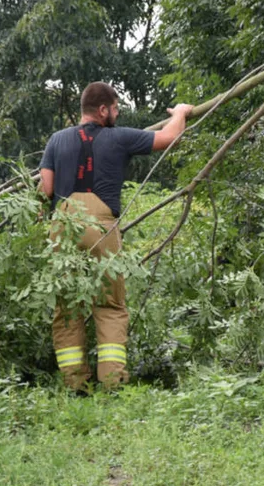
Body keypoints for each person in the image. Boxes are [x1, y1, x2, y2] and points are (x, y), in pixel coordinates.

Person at [39, 82, 194, 391]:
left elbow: (45, 190)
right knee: (109, 305)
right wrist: (180, 112)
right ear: (103, 110)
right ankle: (111, 383)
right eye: (116, 109)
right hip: (100, 223)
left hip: (63, 226)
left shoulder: (56, 140)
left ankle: (75, 385)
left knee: (67, 306)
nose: (118, 114)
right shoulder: (119, 137)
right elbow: (170, 137)